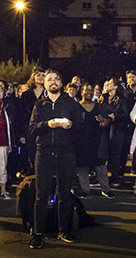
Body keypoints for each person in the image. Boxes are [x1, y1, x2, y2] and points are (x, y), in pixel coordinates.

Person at [28, 69, 83, 249]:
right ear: (45, 84)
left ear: (61, 83)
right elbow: (32, 129)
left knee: (65, 194)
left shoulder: (71, 103)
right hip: (43, 152)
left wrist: (72, 125)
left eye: (57, 79)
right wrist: (48, 124)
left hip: (66, 152)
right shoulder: (39, 104)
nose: (53, 82)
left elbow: (82, 127)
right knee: (41, 195)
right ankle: (38, 233)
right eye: (50, 80)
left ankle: (64, 230)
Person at [75, 83, 114, 199]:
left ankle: (106, 189)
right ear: (81, 92)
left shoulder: (98, 106)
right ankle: (84, 190)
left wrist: (104, 120)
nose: (88, 93)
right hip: (81, 141)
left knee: (100, 166)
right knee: (82, 167)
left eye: (91, 91)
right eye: (86, 91)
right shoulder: (76, 106)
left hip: (97, 140)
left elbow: (108, 120)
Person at [100, 81, 131, 187]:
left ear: (115, 86)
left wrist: (115, 116)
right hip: (104, 128)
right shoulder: (103, 97)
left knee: (115, 154)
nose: (107, 86)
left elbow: (126, 114)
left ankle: (114, 177)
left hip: (117, 129)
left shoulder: (121, 99)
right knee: (103, 152)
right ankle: (101, 177)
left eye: (110, 84)